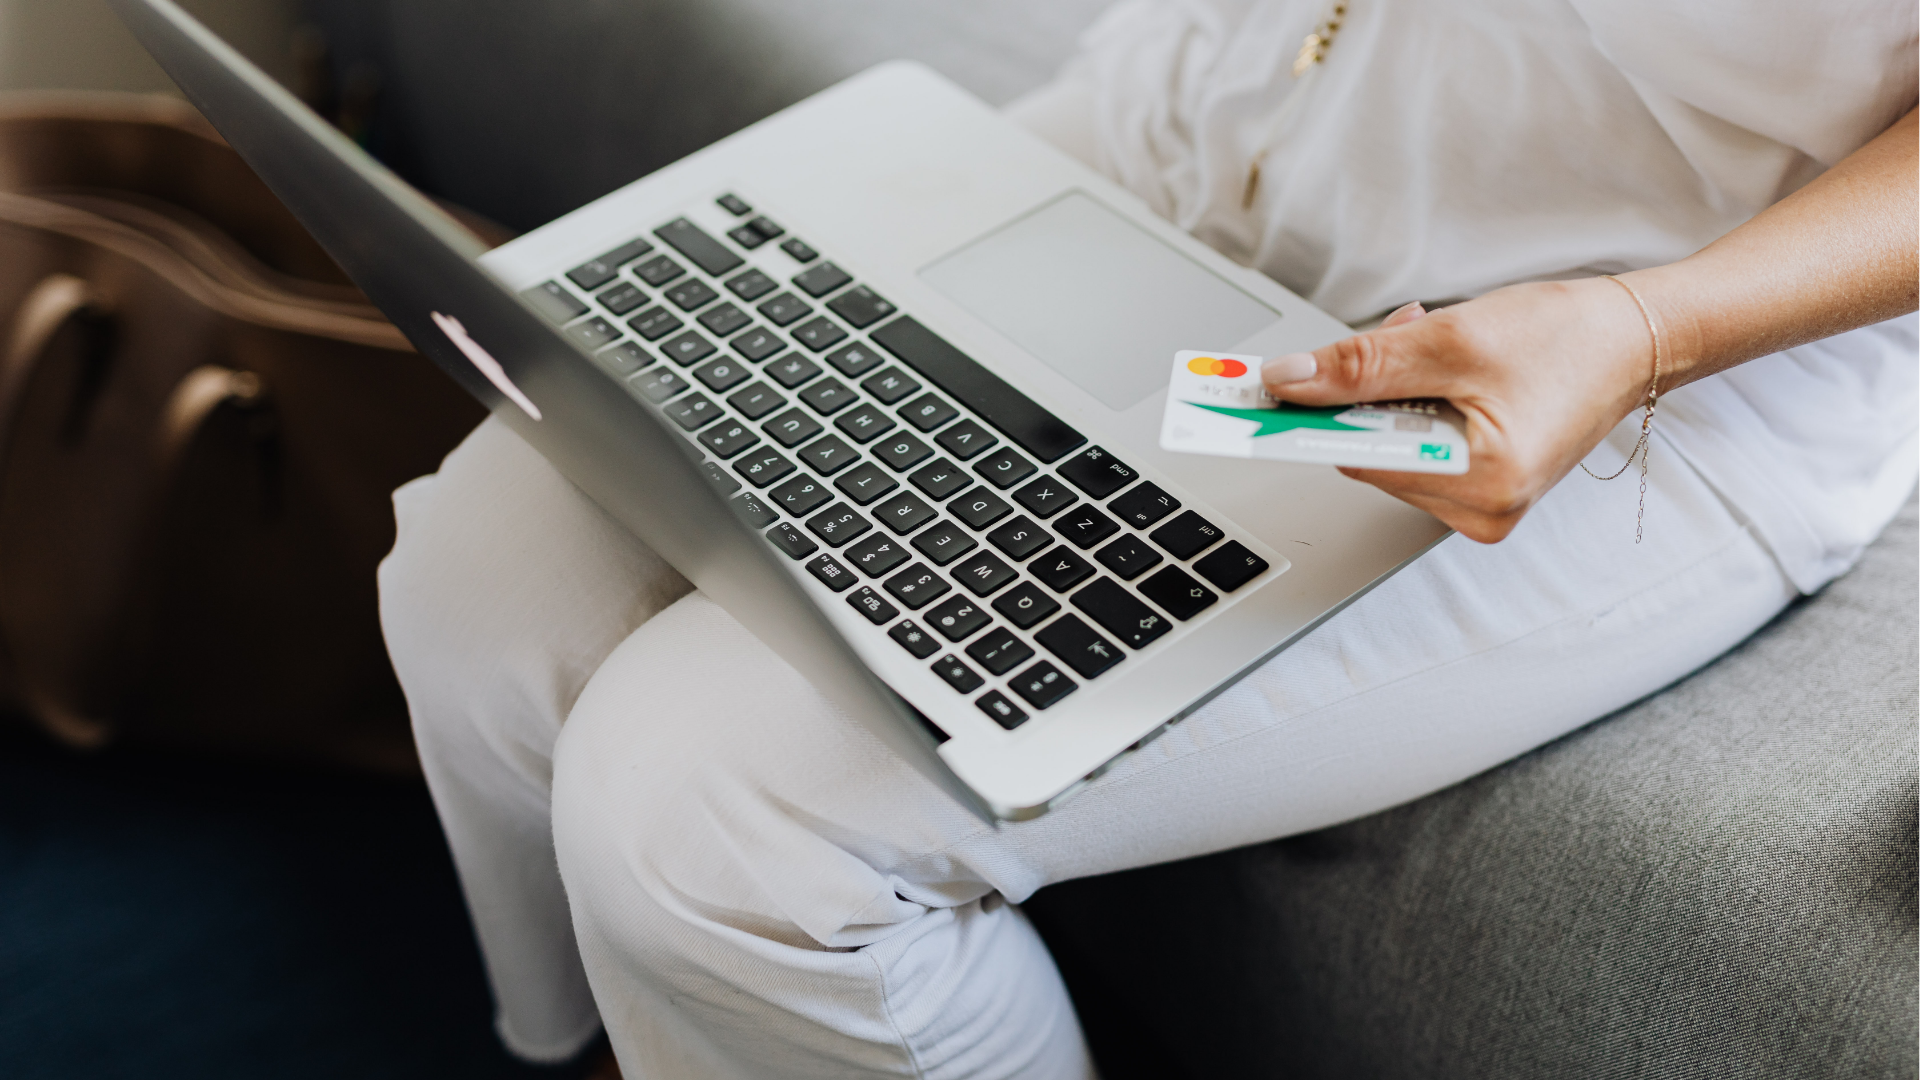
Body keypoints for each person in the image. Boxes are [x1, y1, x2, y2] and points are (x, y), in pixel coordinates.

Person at [377, 1, 1918, 1076]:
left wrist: (1652, 326)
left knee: (709, 821)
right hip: (1179, 127)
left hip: (1607, 334)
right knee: (480, 582)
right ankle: (603, 1047)